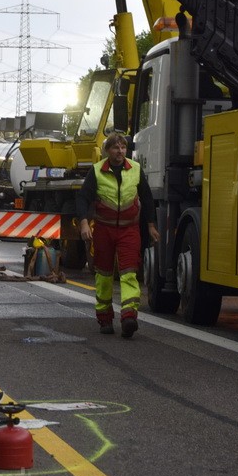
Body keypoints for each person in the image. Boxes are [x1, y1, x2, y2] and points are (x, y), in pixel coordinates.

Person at [75, 131, 159, 338]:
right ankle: (104, 319)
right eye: (115, 147)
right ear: (107, 151)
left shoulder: (136, 169)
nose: (120, 151)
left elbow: (147, 199)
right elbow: (83, 198)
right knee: (103, 275)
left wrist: (151, 225)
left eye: (123, 147)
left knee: (129, 272)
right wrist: (84, 223)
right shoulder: (96, 171)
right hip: (104, 229)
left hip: (129, 230)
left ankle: (129, 317)